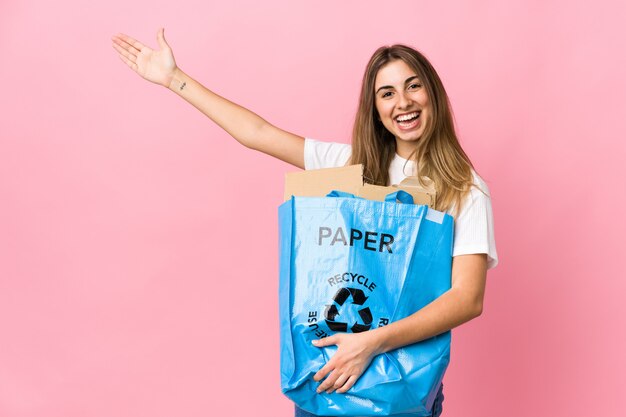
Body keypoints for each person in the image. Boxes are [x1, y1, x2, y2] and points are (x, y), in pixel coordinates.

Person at [111, 28, 498, 417]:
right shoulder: (350, 168)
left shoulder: (464, 188)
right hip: (329, 379)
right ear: (376, 109)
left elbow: (467, 299)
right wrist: (173, 78)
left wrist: (370, 343)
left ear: (432, 93)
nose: (403, 102)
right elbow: (257, 133)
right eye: (387, 93)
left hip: (401, 388)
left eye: (413, 86)